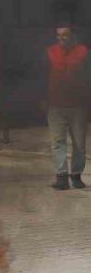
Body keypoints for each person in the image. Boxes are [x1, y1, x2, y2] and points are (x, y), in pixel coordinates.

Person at [45, 25, 89, 190]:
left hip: (78, 106)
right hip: (55, 105)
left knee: (79, 143)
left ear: (72, 35)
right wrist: (43, 99)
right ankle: (61, 177)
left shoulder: (83, 52)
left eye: (65, 34)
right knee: (58, 142)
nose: (61, 38)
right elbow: (43, 75)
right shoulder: (49, 52)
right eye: (58, 35)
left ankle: (76, 176)